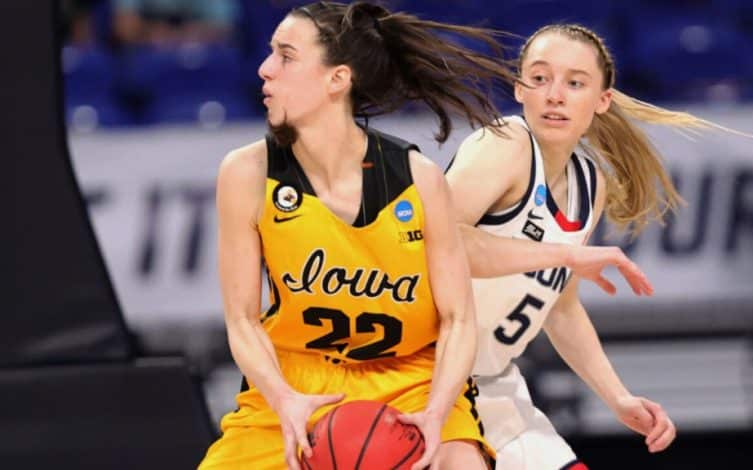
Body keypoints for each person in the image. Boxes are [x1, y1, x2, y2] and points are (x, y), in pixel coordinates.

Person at [197, 2, 526, 469]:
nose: (264, 69)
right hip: (296, 383)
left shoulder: (418, 179)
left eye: (286, 56)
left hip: (412, 379)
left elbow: (457, 321)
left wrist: (436, 412)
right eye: (271, 54)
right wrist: (285, 400)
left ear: (338, 79)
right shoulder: (246, 173)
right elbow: (243, 322)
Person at [445, 23, 730, 469]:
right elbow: (439, 245)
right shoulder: (504, 144)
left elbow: (560, 307)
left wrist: (617, 398)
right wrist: (563, 254)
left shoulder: (587, 183)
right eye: (540, 79)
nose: (555, 94)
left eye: (575, 83)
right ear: (520, 89)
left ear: (602, 101)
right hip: (429, 377)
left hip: (495, 386)